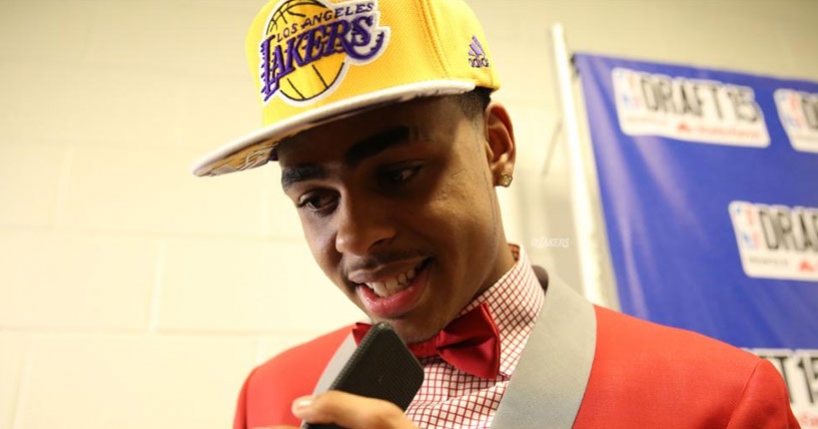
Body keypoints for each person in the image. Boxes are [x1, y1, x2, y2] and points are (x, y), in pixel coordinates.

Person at [192, 0, 799, 427]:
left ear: (496, 147)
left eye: (399, 174)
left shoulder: (719, 401)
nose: (355, 235)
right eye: (315, 200)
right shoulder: (269, 399)